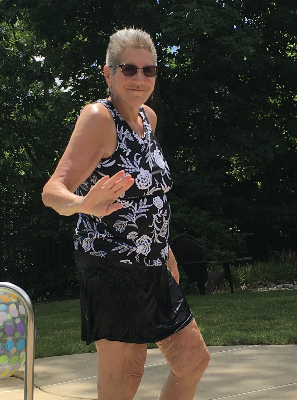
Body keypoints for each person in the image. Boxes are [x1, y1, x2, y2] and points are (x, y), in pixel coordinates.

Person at [42, 27, 210, 400]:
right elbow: (52, 191)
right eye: (128, 69)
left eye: (148, 70)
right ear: (108, 72)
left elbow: (151, 196)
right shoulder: (98, 118)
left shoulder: (147, 118)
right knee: (126, 377)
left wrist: (165, 250)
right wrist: (84, 204)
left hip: (153, 262)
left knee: (192, 360)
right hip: (111, 269)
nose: (139, 78)